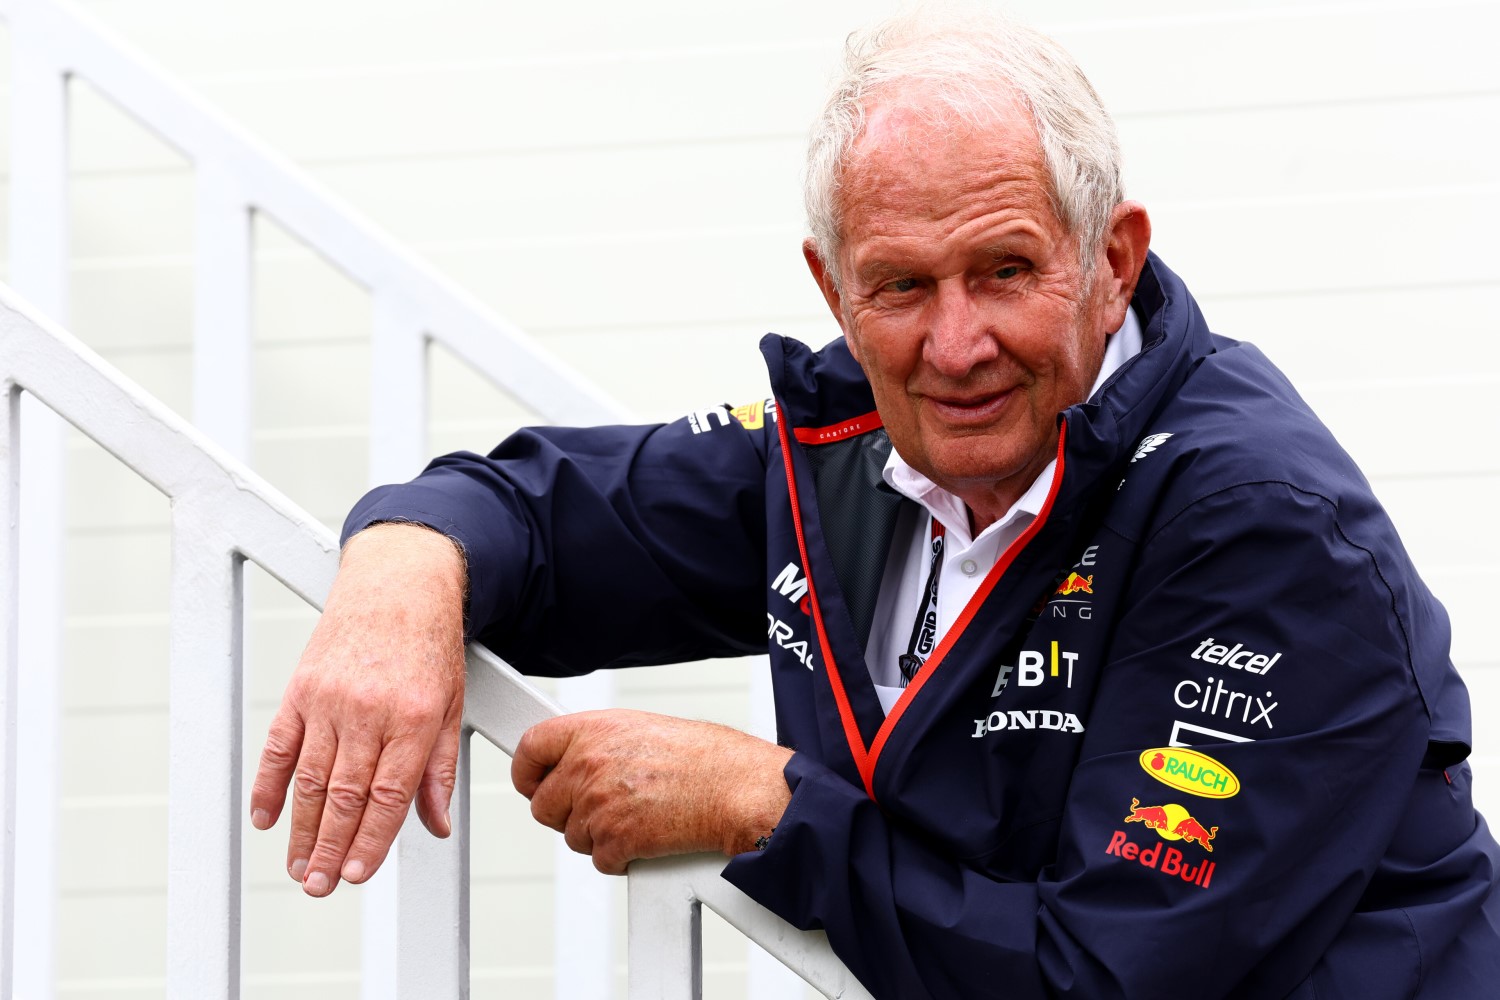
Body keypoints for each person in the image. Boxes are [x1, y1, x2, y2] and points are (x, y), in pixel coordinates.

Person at [248, 9, 1500, 998]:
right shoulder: (851, 441)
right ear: (833, 288)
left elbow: (1113, 976)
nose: (956, 347)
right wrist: (400, 570)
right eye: (901, 286)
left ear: (1110, 262)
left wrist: (769, 803)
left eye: (1005, 270)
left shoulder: (1261, 522)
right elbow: (538, 514)